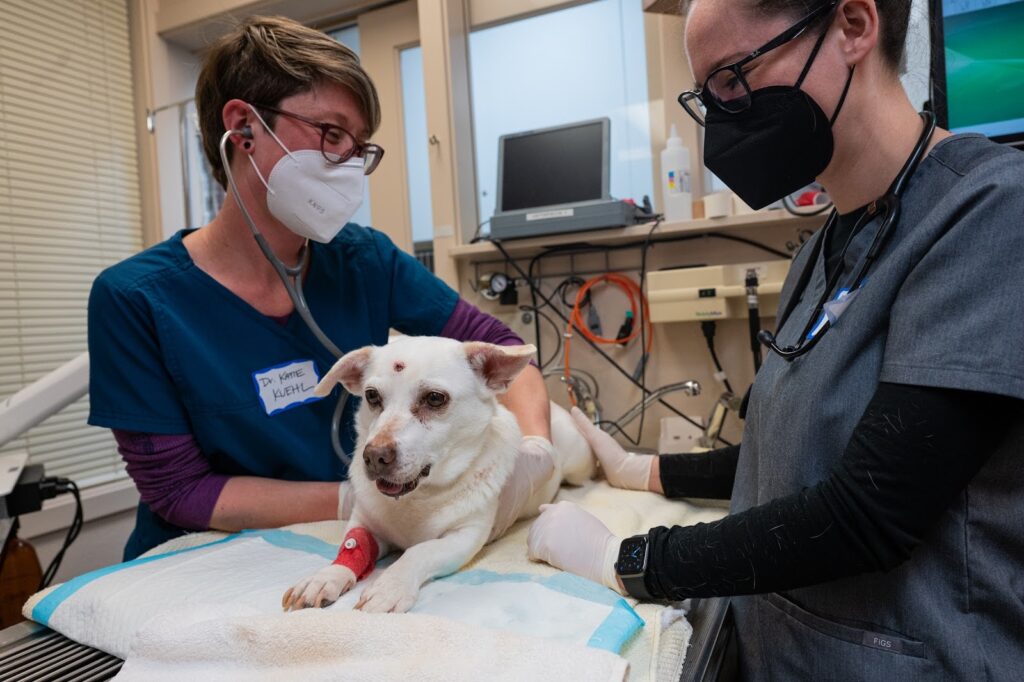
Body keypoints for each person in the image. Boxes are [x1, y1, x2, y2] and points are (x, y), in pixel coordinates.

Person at [527, 0, 1024, 678]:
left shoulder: (992, 213)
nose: (723, 120)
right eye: (708, 98)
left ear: (853, 25)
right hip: (784, 648)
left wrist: (633, 560)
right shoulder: (820, 254)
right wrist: (642, 470)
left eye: (735, 79)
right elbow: (789, 455)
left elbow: (869, 510)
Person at [88, 16, 552, 560]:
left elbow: (495, 351)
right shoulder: (136, 299)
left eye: (359, 150)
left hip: (346, 542)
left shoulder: (365, 260)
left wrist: (533, 450)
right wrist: (361, 500)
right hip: (202, 559)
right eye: (331, 135)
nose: (348, 166)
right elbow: (179, 492)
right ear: (242, 128)